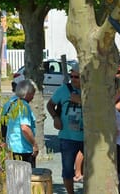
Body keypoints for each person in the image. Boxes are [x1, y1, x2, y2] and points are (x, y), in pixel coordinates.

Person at [46, 65, 83, 194]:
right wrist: (55, 117)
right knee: (67, 170)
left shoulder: (91, 91)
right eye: (71, 76)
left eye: (76, 77)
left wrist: (80, 100)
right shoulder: (64, 89)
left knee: (91, 169)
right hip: (67, 136)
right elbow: (50, 104)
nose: (73, 79)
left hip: (88, 137)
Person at [2, 79, 38, 168]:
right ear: (27, 93)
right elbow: (25, 128)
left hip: (10, 147)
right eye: (33, 93)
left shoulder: (9, 103)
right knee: (27, 177)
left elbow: (3, 124)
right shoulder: (23, 106)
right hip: (23, 150)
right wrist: (34, 144)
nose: (33, 96)